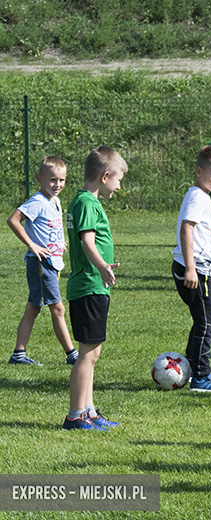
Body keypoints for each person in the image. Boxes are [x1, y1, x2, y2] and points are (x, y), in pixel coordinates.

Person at [62, 146, 126, 431]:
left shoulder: (83, 201)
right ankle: (75, 415)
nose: (119, 185)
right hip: (89, 285)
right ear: (105, 176)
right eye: (119, 179)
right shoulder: (87, 203)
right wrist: (102, 266)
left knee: (93, 352)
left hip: (92, 286)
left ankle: (88, 411)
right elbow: (87, 240)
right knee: (87, 354)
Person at [7, 157, 78, 366]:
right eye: (52, 180)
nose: (58, 185)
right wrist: (32, 245)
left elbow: (49, 228)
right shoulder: (37, 201)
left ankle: (18, 355)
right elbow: (13, 220)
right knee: (57, 308)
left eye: (62, 180)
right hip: (40, 263)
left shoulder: (55, 201)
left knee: (33, 307)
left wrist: (60, 242)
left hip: (51, 262)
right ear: (40, 179)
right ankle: (72, 354)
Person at [173, 145, 211, 392]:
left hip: (200, 267)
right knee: (206, 322)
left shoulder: (202, 195)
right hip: (192, 269)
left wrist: (208, 266)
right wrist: (191, 268)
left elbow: (201, 235)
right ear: (199, 171)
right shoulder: (198, 196)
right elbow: (187, 229)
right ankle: (200, 377)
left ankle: (192, 367)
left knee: (204, 319)